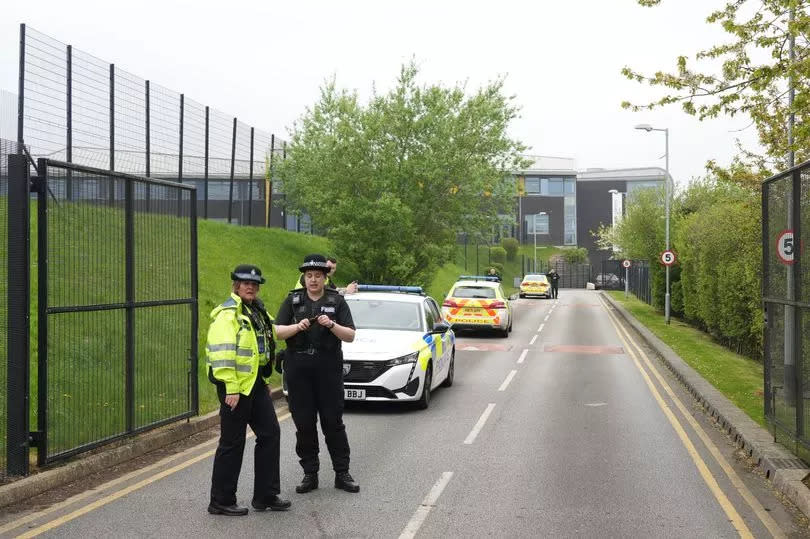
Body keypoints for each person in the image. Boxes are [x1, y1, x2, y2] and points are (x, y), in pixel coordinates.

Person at [207, 264, 291, 516]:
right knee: (232, 443)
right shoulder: (228, 314)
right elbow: (221, 355)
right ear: (236, 285)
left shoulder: (257, 311)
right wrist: (231, 388)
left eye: (254, 284)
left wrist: (263, 380)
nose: (251, 287)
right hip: (234, 388)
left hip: (254, 385)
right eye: (245, 283)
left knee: (270, 433)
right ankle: (220, 501)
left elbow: (260, 348)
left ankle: (265, 495)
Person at [275, 254, 359, 494]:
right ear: (304, 278)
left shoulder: (337, 301)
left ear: (325, 278)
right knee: (304, 423)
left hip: (328, 367)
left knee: (333, 422)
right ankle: (310, 474)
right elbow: (277, 332)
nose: (313, 280)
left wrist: (331, 325)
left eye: (318, 276)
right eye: (309, 276)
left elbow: (351, 335)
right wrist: (296, 327)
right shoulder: (292, 300)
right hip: (299, 367)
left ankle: (342, 473)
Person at [292, 255, 358, 295]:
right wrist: (346, 291)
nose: (330, 270)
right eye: (329, 267)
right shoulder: (305, 277)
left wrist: (349, 288)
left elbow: (335, 289)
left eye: (333, 268)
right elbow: (328, 292)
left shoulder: (327, 278)